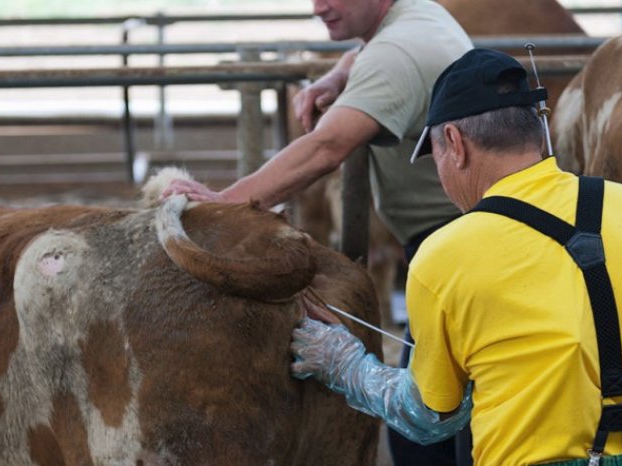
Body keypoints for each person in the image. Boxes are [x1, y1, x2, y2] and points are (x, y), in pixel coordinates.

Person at [288, 48, 622, 466]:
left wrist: (345, 364)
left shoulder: (443, 256)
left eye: (435, 157)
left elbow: (430, 417)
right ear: (537, 132)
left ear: (454, 142)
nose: (444, 180)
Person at [161, 0, 474, 464]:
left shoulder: (396, 54)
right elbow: (371, 54)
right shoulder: (415, 14)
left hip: (456, 248)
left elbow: (326, 148)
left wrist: (224, 204)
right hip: (456, 237)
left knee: (424, 430)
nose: (317, 6)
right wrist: (339, 76)